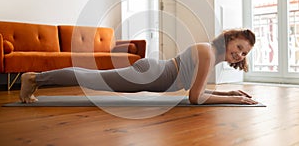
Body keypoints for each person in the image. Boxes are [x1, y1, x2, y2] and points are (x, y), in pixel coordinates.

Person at [20, 28, 258, 105]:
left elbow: (199, 90)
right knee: (90, 78)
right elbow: (195, 97)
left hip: (155, 74)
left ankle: (36, 79)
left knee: (92, 78)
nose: (238, 54)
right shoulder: (207, 52)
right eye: (238, 47)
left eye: (244, 53)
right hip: (153, 75)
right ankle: (34, 79)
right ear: (229, 40)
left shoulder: (211, 54)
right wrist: (234, 100)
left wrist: (229, 92)